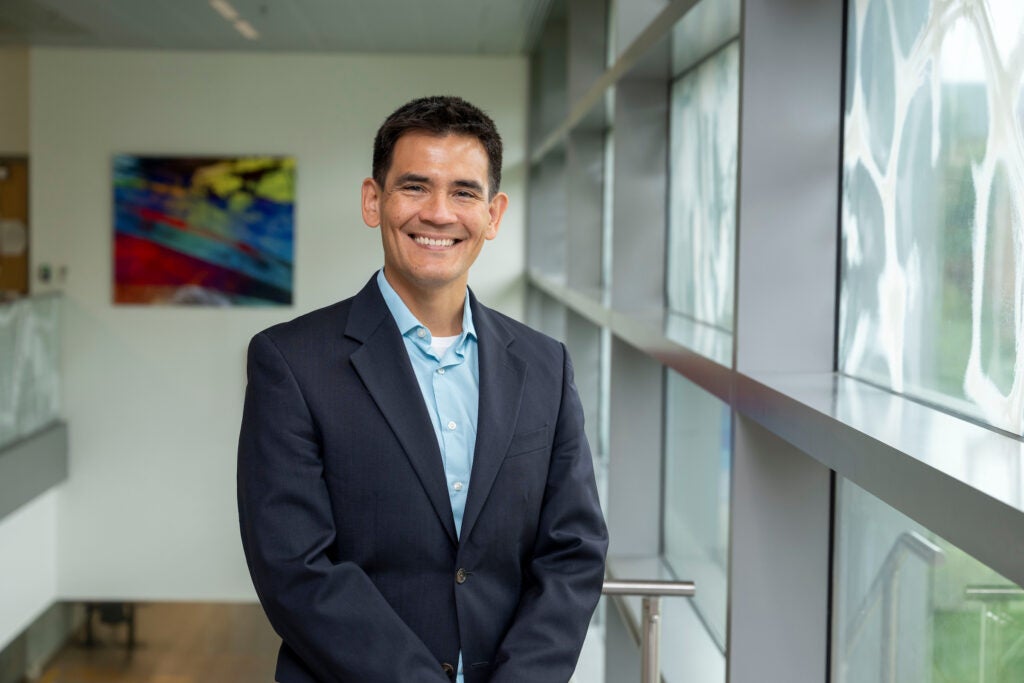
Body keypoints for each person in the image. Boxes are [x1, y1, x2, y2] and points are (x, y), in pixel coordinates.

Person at [237, 95, 608, 683]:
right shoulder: (291, 360)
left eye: (464, 191)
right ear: (373, 200)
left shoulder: (545, 365)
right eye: (414, 187)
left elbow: (573, 550)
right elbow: (295, 566)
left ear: (493, 213)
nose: (439, 213)